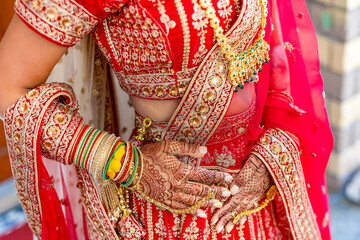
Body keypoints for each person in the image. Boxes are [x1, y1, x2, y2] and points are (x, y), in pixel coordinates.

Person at [0, 0, 333, 239]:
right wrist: (127, 165)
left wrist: (273, 149)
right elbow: (8, 87)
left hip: (256, 200)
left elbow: (279, 53)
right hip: (165, 207)